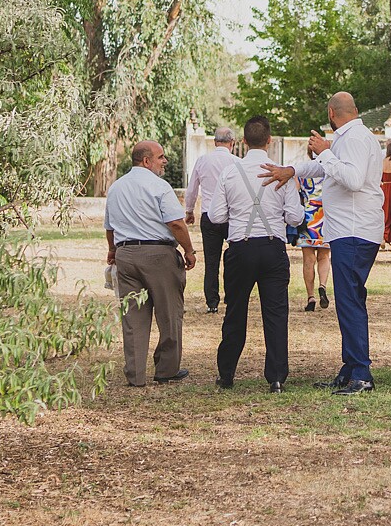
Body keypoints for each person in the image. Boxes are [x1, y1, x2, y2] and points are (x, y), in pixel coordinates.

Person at [261, 91, 385, 394]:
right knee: (346, 298)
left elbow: (353, 179)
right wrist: (293, 170)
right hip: (348, 229)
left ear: (331, 113)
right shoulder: (349, 137)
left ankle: (361, 373)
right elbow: (323, 168)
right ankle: (350, 367)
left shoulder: (354, 139)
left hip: (354, 230)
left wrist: (324, 151)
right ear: (353, 110)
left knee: (350, 299)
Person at [215, 115, 305, 392]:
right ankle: (276, 376)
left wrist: (238, 213)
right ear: (269, 141)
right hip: (272, 248)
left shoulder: (230, 172)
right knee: (276, 314)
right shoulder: (282, 175)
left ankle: (227, 373)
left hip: (240, 248)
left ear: (243, 141)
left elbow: (217, 215)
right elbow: (295, 217)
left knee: (235, 312)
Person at [104, 140, 196, 386]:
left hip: (126, 255)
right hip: (158, 254)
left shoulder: (116, 187)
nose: (164, 161)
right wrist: (189, 250)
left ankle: (135, 375)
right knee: (169, 313)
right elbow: (176, 223)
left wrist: (113, 250)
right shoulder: (159, 186)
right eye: (161, 157)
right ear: (147, 161)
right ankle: (166, 369)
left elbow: (110, 227)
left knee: (133, 318)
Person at [184, 125, 237, 314]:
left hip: (209, 215)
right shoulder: (236, 162)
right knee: (234, 258)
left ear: (215, 142)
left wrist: (189, 210)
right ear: (232, 143)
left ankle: (212, 302)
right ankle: (232, 296)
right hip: (232, 217)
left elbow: (192, 190)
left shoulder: (202, 161)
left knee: (211, 261)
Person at [296, 163, 330, 313]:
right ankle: (322, 285)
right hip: (325, 216)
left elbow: (296, 192)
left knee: (308, 260)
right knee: (324, 256)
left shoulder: (303, 172)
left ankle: (310, 297)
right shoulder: (329, 172)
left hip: (308, 216)